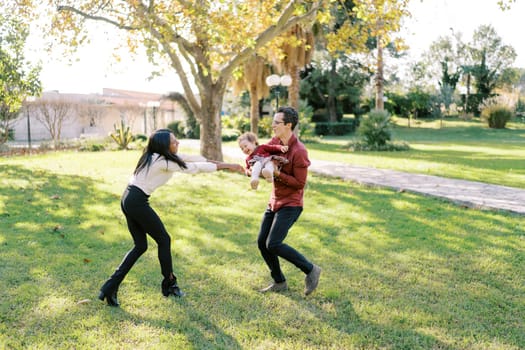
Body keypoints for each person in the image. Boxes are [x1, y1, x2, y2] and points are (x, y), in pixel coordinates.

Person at [98, 129, 243, 307]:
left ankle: (110, 286)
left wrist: (223, 162)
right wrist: (228, 166)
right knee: (164, 240)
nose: (178, 143)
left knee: (141, 246)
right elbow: (193, 168)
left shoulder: (154, 156)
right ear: (164, 146)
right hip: (136, 201)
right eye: (174, 142)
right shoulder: (163, 162)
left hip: (128, 198)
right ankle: (169, 283)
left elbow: (192, 158)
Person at [257, 106, 321, 296]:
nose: (272, 125)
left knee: (274, 243)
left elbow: (300, 183)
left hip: (291, 204)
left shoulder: (299, 151)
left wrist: (278, 173)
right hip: (274, 201)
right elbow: (265, 158)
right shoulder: (275, 142)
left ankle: (311, 270)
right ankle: (279, 282)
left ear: (288, 125)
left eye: (276, 122)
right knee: (262, 242)